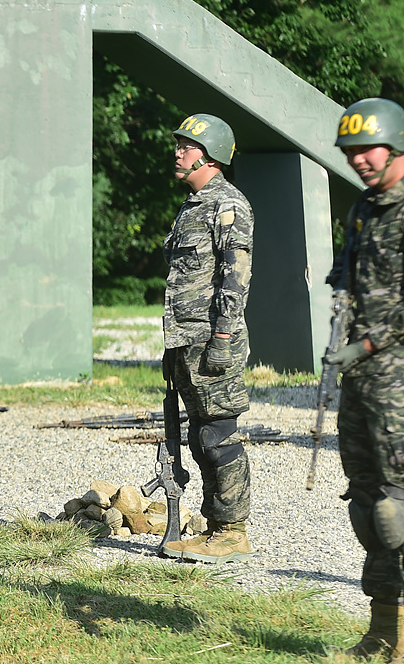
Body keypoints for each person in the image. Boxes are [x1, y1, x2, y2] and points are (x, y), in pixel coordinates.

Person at [326, 97, 404, 662]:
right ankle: (383, 630)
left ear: (396, 145)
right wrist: (340, 291)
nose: (359, 160)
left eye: (367, 150)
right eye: (351, 153)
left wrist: (365, 343)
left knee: (403, 506)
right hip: (360, 381)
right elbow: (348, 266)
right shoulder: (363, 207)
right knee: (367, 507)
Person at [158, 113, 255, 564]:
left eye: (186, 147)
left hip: (214, 339)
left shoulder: (227, 205)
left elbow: (235, 278)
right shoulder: (192, 206)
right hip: (186, 340)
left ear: (210, 154)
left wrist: (221, 335)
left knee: (219, 435)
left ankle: (233, 532)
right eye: (178, 145)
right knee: (201, 437)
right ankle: (216, 529)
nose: (177, 153)